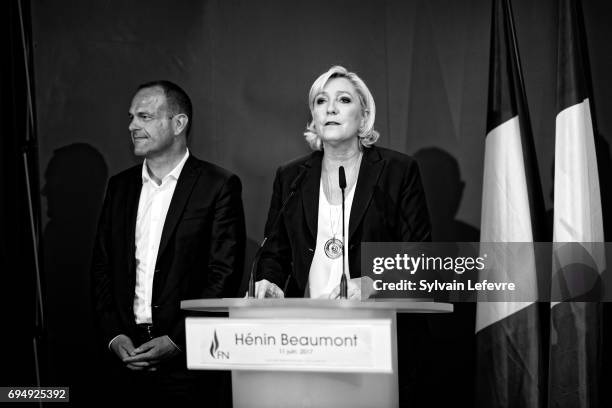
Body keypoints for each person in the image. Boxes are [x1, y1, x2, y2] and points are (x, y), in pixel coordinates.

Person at [91, 80, 245, 404]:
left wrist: (177, 341)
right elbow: (102, 268)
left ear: (178, 123)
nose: (132, 125)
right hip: (125, 359)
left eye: (144, 116)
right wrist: (114, 336)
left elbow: (224, 275)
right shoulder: (120, 188)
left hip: (189, 366)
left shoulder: (218, 186)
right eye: (132, 117)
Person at [254, 65, 431, 299]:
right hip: (307, 324)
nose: (330, 109)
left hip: (377, 321)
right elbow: (273, 254)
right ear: (313, 118)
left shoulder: (397, 171)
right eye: (320, 101)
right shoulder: (291, 176)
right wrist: (269, 282)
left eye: (344, 100)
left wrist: (373, 283)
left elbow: (419, 255)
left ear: (364, 116)